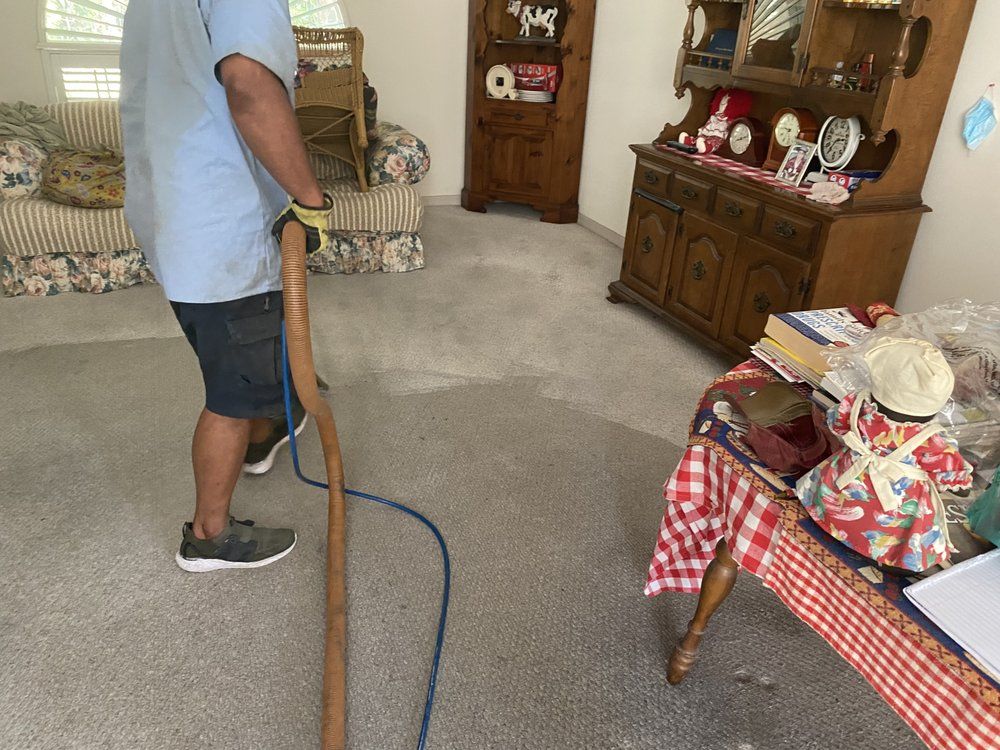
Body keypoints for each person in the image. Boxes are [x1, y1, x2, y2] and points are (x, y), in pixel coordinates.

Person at [120, 0, 333, 572]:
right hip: (217, 219)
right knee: (231, 392)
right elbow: (245, 84)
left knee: (248, 352)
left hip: (172, 204)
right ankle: (208, 535)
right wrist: (311, 200)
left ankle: (262, 436)